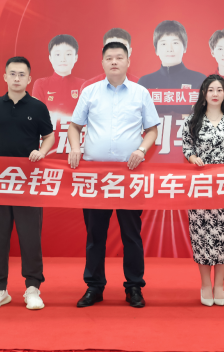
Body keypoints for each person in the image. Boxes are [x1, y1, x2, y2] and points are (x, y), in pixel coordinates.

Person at [67, 41, 160, 308]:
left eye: (119, 57)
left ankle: (134, 287)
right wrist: (76, 147)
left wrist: (141, 150)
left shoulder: (140, 93)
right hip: (96, 176)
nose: (114, 62)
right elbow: (74, 126)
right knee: (95, 235)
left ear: (128, 62)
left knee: (131, 234)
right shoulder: (90, 92)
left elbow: (152, 130)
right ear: (102, 63)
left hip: (129, 175)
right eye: (109, 58)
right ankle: (94, 287)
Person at [0, 56, 55, 311]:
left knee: (30, 237)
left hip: (28, 181)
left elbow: (49, 137)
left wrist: (42, 152)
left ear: (29, 79)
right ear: (5, 77)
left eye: (21, 74)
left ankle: (32, 288)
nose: (17, 78)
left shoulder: (38, 107)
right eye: (12, 74)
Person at [181, 74, 224, 307]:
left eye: (219, 90)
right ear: (204, 94)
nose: (215, 94)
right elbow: (187, 146)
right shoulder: (192, 120)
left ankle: (220, 285)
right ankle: (205, 284)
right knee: (201, 235)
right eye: (211, 90)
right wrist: (193, 158)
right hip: (200, 186)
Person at [138, 20, 206, 117]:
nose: (169, 49)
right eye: (163, 44)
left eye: (175, 43)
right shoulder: (145, 82)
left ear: (185, 47)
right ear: (156, 50)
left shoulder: (200, 80)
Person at [31, 34, 85, 117]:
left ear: (76, 58)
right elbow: (36, 116)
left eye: (68, 54)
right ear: (50, 58)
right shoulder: (40, 84)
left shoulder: (84, 85)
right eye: (57, 54)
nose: (63, 59)